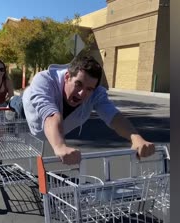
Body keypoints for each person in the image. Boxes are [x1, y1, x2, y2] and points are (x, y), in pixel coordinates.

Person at [9, 56, 155, 165]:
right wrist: (59, 146)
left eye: (89, 89)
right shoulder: (45, 81)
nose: (81, 94)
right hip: (29, 112)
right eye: (78, 84)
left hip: (48, 130)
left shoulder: (97, 93)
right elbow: (51, 114)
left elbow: (113, 115)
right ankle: (10, 101)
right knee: (18, 104)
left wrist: (136, 138)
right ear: (67, 77)